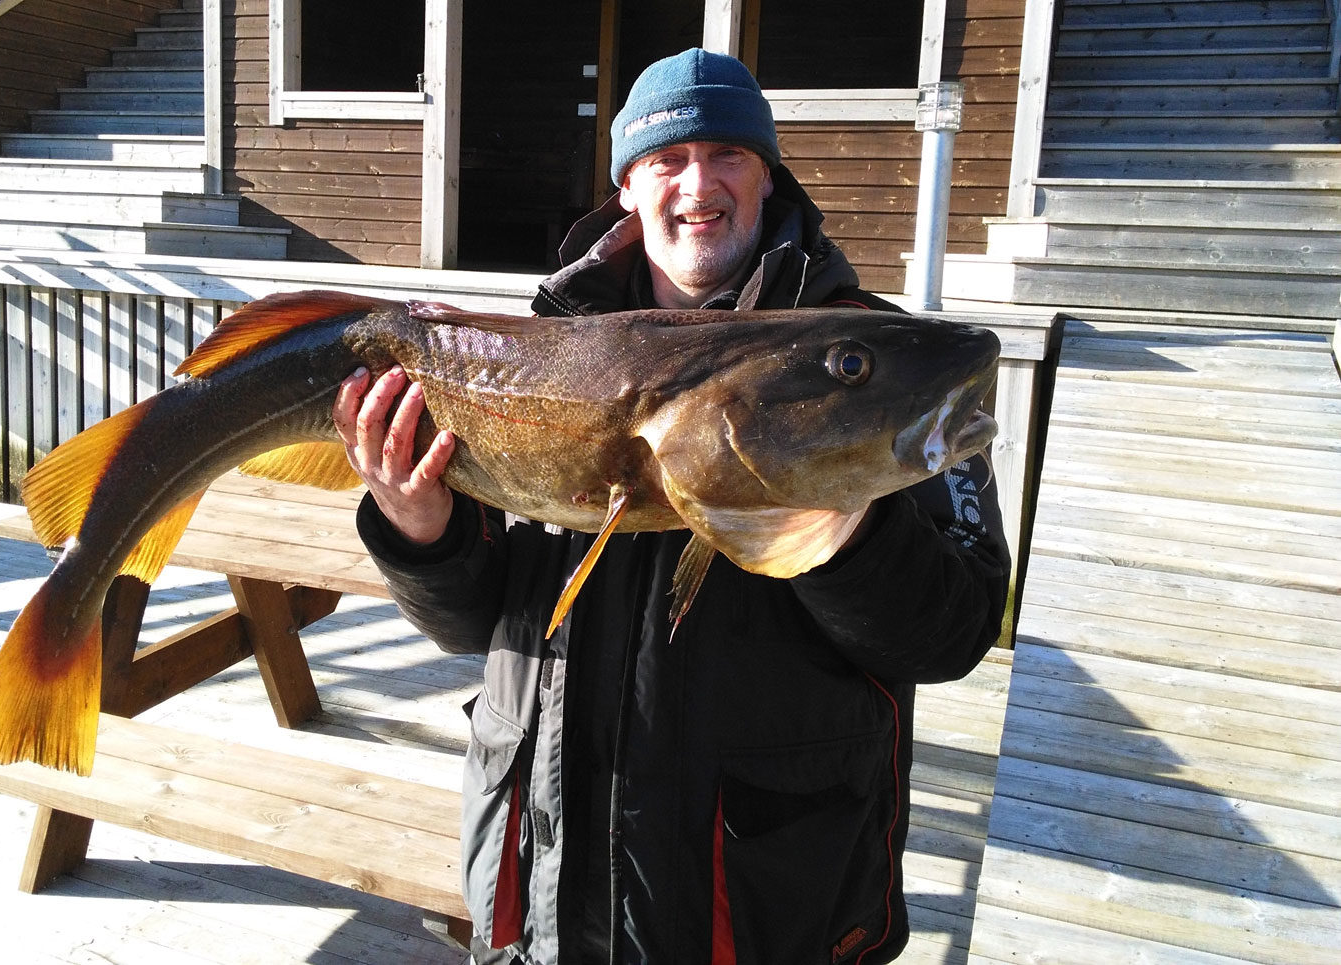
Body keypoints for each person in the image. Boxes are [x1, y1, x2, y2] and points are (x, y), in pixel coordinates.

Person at [333, 49, 1010, 964]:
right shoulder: (532, 355)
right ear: (626, 187)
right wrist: (421, 533)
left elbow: (956, 631)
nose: (700, 182)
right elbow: (478, 624)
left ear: (768, 176)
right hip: (547, 881)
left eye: (729, 153)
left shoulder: (866, 361)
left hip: (762, 901)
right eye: (667, 159)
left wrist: (841, 527)